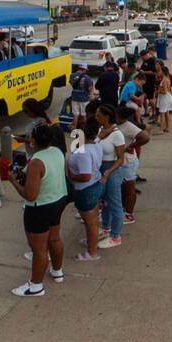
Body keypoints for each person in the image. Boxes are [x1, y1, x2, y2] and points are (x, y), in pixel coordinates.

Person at [16, 121, 69, 296]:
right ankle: (57, 271)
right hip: (58, 201)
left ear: (33, 141)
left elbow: (30, 195)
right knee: (54, 239)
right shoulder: (57, 152)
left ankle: (35, 285)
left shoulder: (36, 162)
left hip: (39, 208)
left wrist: (13, 180)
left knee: (39, 249)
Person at [65, 112, 107, 261]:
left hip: (86, 189)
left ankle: (92, 253)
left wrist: (71, 176)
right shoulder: (96, 144)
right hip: (95, 185)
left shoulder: (83, 153)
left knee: (91, 223)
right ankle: (91, 242)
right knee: (93, 219)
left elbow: (85, 176)